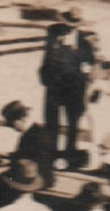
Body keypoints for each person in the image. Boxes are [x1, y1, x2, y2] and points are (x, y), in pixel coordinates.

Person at [38, 23, 93, 169]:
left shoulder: (83, 44)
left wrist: (83, 83)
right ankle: (51, 155)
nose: (58, 38)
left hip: (73, 90)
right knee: (52, 124)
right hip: (54, 90)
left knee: (73, 125)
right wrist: (45, 79)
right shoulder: (53, 42)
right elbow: (45, 62)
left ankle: (70, 155)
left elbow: (89, 66)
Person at [81, 58, 110, 167]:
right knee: (97, 142)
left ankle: (108, 165)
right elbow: (91, 102)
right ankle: (96, 164)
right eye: (109, 72)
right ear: (105, 71)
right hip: (99, 117)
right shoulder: (99, 84)